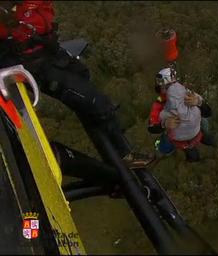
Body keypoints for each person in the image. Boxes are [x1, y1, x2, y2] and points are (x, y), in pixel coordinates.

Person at [0, 0, 155, 169]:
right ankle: (123, 155)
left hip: (49, 51)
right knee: (96, 102)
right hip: (34, 65)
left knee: (83, 75)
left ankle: (104, 134)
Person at [148, 67, 215, 162]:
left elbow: (208, 112)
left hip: (198, 132)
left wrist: (199, 103)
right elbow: (151, 127)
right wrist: (164, 124)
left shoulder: (189, 95)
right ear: (160, 89)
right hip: (181, 141)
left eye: (173, 84)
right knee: (193, 157)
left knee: (210, 138)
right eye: (166, 87)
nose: (172, 89)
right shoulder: (159, 105)